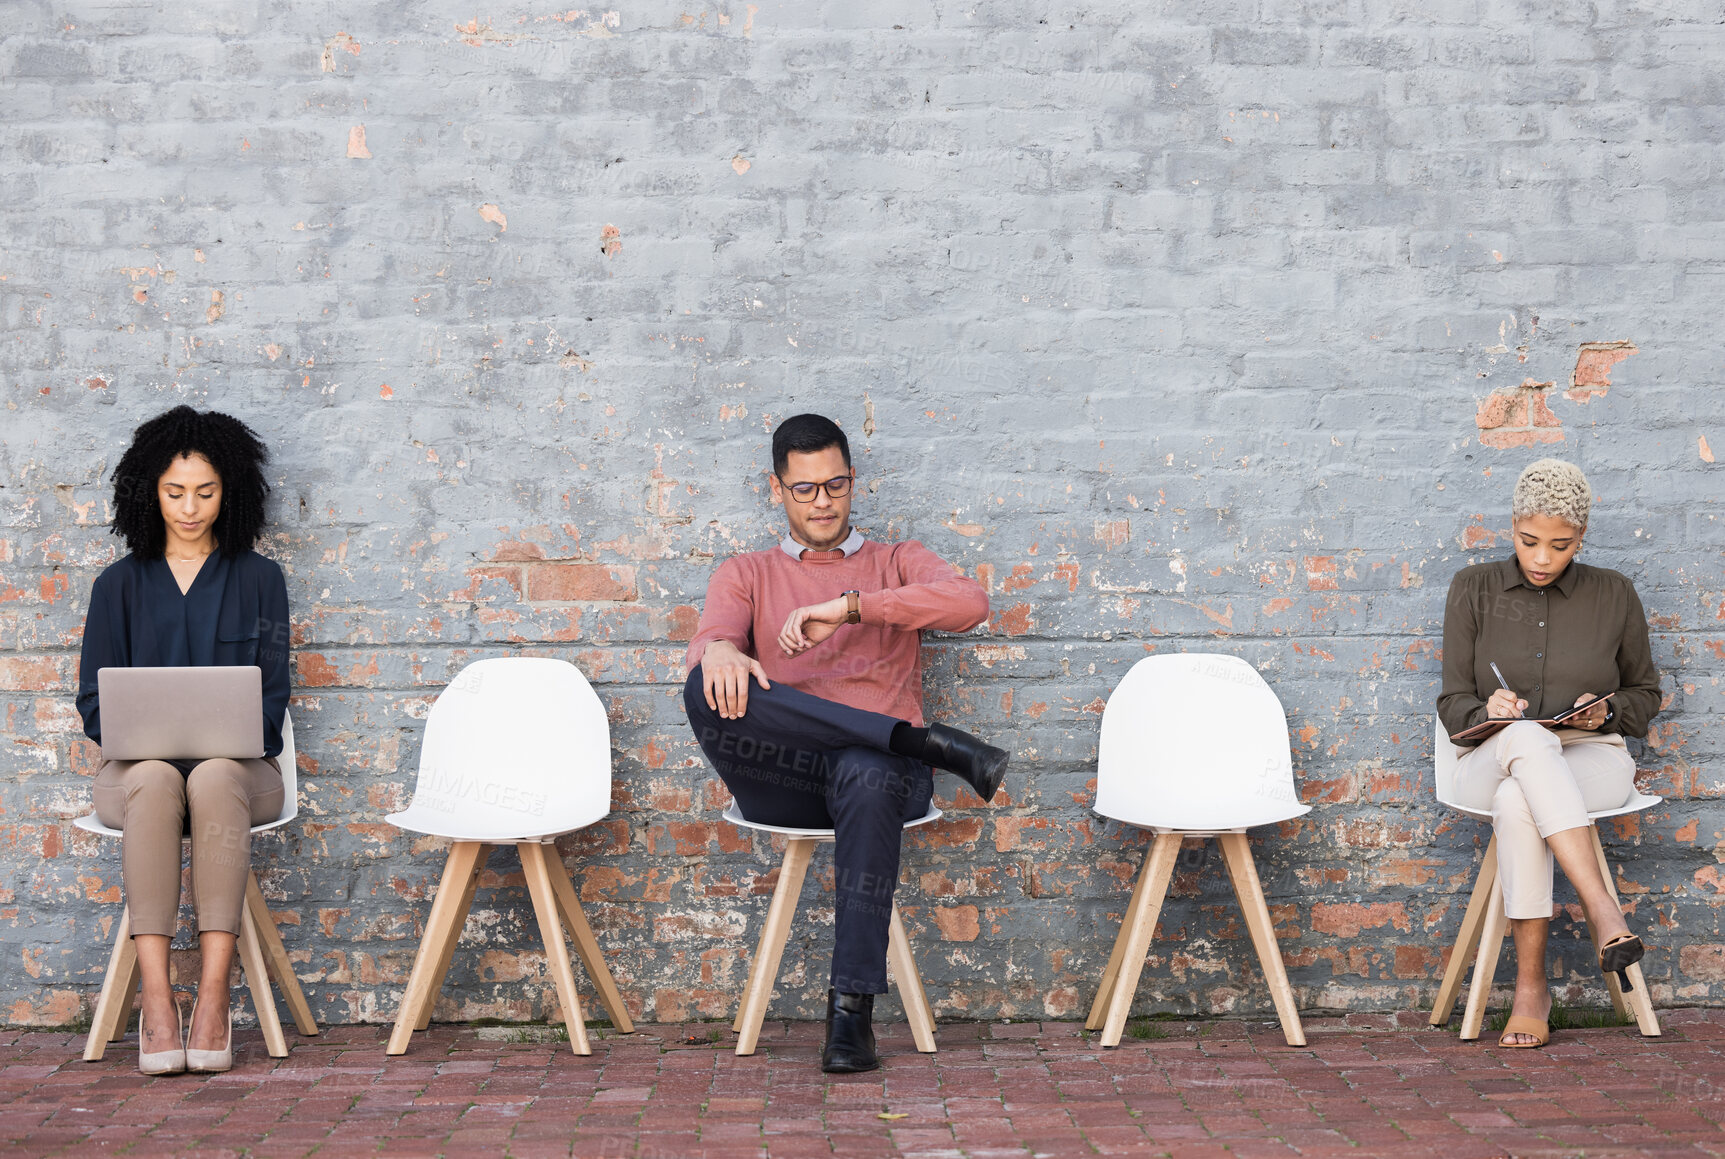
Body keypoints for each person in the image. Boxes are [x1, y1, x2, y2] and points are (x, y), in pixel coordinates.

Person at [683, 413, 1009, 1073]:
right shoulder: (746, 572)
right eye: (805, 489)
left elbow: (968, 602)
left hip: (878, 783)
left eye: (834, 485)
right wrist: (719, 649)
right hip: (786, 778)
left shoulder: (894, 561)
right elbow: (714, 635)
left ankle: (849, 1018)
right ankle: (928, 744)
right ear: (777, 489)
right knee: (699, 685)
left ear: (852, 481)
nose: (823, 501)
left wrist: (848, 607)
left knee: (865, 769)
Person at [77, 406, 290, 1074]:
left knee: (214, 774)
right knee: (159, 776)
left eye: (206, 492)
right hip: (135, 779)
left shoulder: (260, 580)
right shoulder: (117, 585)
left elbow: (273, 696)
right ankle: (160, 998)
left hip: (241, 776)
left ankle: (215, 995)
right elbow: (93, 703)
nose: (190, 508)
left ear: (231, 493)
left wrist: (229, 734)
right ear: (149, 491)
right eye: (175, 493)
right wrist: (139, 734)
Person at [1438, 458, 1661, 1049]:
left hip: (1591, 759)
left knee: (1520, 802)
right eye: (1529, 541)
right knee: (1526, 746)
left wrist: (1605, 712)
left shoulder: (1613, 594)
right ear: (1512, 527)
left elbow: (1645, 695)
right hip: (1491, 757)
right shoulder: (1474, 588)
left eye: (1559, 546)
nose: (1541, 559)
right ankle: (1604, 913)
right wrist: (1489, 714)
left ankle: (1531, 988)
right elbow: (1452, 699)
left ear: (1580, 539)